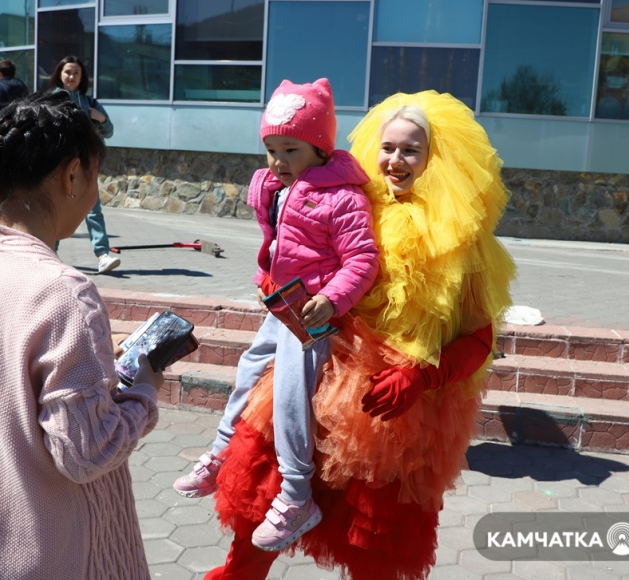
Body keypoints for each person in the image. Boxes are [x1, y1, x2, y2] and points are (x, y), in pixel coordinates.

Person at [207, 91, 514, 579]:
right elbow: (302, 260)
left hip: (390, 416)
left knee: (372, 542)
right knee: (261, 501)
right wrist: (282, 287)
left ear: (433, 158)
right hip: (313, 376)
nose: (396, 160)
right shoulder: (350, 201)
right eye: (388, 147)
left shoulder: (463, 240)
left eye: (411, 150)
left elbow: (480, 339)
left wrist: (423, 375)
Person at [0, 92, 165, 578]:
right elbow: (86, 451)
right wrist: (144, 392)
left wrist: (94, 365)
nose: (96, 193)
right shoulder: (63, 293)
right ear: (72, 175)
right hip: (38, 556)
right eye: (95, 177)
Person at [173, 78, 379, 551]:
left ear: (322, 149)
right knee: (246, 372)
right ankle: (221, 452)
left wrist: (332, 298)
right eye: (270, 149)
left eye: (291, 149)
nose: (278, 161)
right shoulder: (277, 186)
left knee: (290, 392)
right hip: (282, 306)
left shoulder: (342, 197)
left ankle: (297, 493)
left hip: (314, 316)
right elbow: (279, 238)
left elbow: (363, 260)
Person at [48, 56, 121, 274]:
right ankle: (51, 255)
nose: (71, 76)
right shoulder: (50, 100)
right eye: (68, 72)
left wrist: (101, 119)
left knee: (93, 210)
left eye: (76, 73)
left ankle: (103, 255)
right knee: (56, 210)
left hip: (85, 166)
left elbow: (109, 132)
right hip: (58, 166)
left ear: (82, 77)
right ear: (60, 74)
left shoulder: (90, 103)